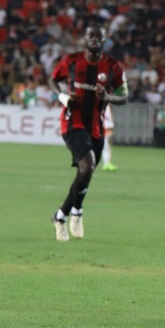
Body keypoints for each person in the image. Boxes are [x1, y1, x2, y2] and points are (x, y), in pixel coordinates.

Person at [48, 22, 128, 242]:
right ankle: (73, 214)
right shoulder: (71, 61)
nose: (94, 39)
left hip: (96, 126)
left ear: (104, 40)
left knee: (86, 172)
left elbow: (124, 96)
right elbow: (52, 80)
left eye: (98, 36)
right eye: (90, 35)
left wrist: (108, 98)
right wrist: (62, 97)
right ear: (84, 39)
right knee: (88, 165)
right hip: (73, 122)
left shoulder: (113, 66)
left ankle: (62, 215)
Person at [99, 105, 117, 171]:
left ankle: (107, 163)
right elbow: (107, 117)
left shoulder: (106, 106)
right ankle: (106, 163)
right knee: (106, 146)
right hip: (105, 126)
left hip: (106, 126)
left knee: (106, 146)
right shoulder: (105, 105)